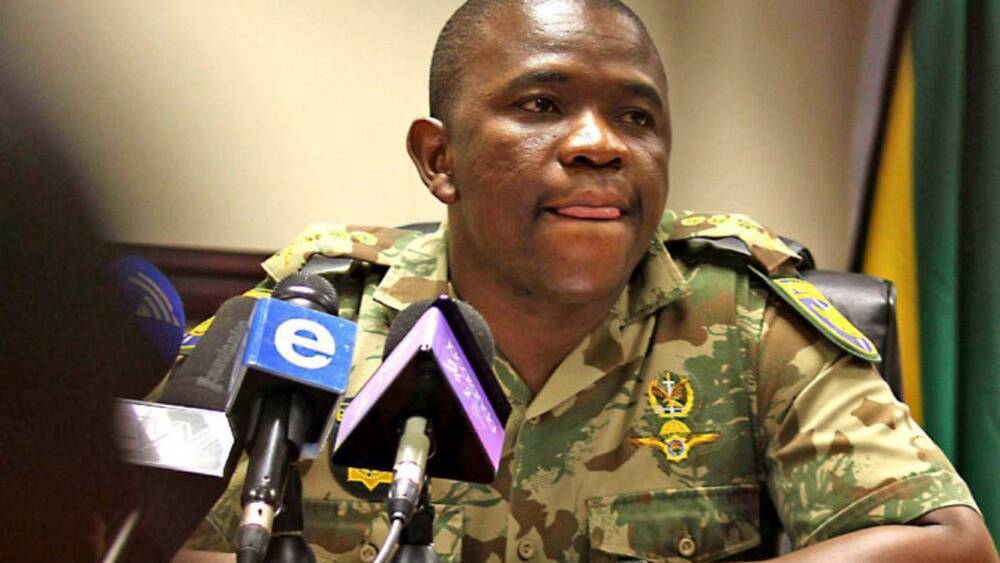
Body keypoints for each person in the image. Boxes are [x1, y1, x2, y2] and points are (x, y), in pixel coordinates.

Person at [179, 0, 997, 561]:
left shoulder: (741, 316)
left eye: (637, 117)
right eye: (541, 105)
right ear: (440, 158)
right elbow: (149, 533)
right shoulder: (314, 318)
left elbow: (949, 543)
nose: (601, 144)